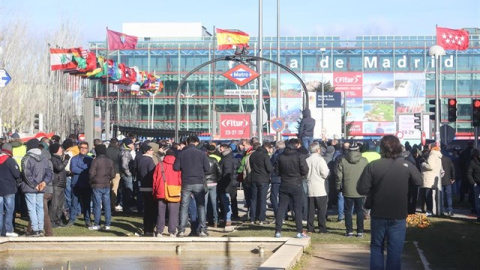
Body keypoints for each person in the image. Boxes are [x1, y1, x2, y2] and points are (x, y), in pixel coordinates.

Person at [357, 135, 422, 270]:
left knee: (377, 247)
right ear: (398, 148)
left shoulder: (373, 166)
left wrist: (373, 189)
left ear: (381, 148)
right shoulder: (406, 165)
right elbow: (419, 181)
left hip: (379, 212)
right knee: (395, 250)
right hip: (398, 213)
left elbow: (361, 188)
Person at [174, 135, 210, 237]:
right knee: (201, 206)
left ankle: (181, 230)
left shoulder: (182, 153)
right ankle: (202, 229)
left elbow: (176, 167)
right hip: (198, 181)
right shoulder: (201, 154)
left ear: (187, 142)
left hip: (186, 182)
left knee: (184, 207)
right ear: (196, 142)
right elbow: (207, 168)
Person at [274, 139, 309, 238]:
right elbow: (305, 169)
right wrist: (300, 175)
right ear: (295, 146)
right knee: (297, 209)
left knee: (281, 207)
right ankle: (299, 231)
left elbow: (276, 171)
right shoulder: (299, 156)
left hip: (284, 183)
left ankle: (278, 231)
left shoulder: (280, 156)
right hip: (296, 183)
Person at [20, 139, 53, 236]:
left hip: (31, 187)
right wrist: (44, 182)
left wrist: (35, 185)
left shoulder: (26, 158)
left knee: (32, 208)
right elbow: (49, 173)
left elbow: (26, 174)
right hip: (41, 187)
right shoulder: (44, 158)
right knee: (40, 208)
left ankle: (35, 229)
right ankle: (39, 229)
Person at [336, 142, 368, 237]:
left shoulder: (343, 160)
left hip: (347, 188)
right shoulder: (364, 160)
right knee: (360, 211)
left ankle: (349, 231)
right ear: (358, 150)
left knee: (348, 211)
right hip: (360, 189)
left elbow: (339, 176)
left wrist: (338, 187)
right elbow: (367, 174)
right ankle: (360, 231)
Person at [153, 149, 182, 237]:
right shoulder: (178, 166)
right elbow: (180, 179)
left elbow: (154, 179)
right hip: (174, 191)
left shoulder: (160, 165)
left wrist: (155, 192)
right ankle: (172, 231)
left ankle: (159, 231)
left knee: (160, 212)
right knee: (173, 213)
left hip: (161, 191)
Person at [88, 144, 115, 230]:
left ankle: (97, 223)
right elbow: (113, 174)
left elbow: (91, 173)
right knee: (107, 205)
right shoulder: (110, 161)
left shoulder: (95, 161)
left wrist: (91, 181)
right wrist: (107, 179)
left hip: (96, 184)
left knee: (97, 204)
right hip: (106, 184)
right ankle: (107, 224)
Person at [306, 142, 330, 233]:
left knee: (311, 210)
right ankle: (322, 227)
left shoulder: (307, 160)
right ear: (317, 150)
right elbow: (324, 173)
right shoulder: (320, 160)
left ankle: (310, 227)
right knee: (321, 210)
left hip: (310, 186)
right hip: (320, 187)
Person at [67, 141, 93, 227]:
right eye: (82, 147)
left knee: (86, 204)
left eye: (85, 148)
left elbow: (90, 171)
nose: (83, 149)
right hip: (76, 184)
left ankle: (87, 221)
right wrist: (84, 170)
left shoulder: (90, 159)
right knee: (74, 204)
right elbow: (73, 169)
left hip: (86, 184)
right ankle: (71, 220)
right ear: (79, 148)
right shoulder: (74, 159)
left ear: (87, 149)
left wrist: (82, 170)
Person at [248, 142, 274, 225]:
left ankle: (252, 218)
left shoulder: (252, 155)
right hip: (263, 179)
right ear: (267, 148)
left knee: (253, 199)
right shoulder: (265, 156)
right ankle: (261, 218)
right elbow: (269, 168)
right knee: (262, 199)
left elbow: (251, 166)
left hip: (254, 178)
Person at [0, 143, 21, 237]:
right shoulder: (10, 161)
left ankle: (0, 231)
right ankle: (8, 229)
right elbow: (17, 174)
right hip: (9, 188)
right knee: (9, 210)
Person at [136, 144, 157, 236]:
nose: (153, 152)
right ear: (147, 151)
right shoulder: (150, 161)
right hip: (149, 187)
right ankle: (150, 229)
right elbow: (153, 174)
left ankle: (146, 228)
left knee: (146, 209)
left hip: (142, 186)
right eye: (151, 150)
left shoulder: (140, 160)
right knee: (151, 209)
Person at [49, 143, 69, 228]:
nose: (62, 150)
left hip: (61, 184)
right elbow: (59, 168)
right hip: (56, 184)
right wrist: (66, 160)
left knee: (60, 204)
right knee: (55, 204)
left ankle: (58, 220)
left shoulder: (59, 159)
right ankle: (52, 221)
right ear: (56, 150)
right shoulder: (53, 159)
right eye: (60, 149)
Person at [420, 146, 443, 216]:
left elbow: (430, 166)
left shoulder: (432, 156)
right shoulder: (438, 156)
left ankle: (429, 211)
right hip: (432, 178)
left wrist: (423, 164)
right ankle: (430, 210)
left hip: (428, 178)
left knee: (427, 196)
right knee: (429, 196)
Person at [204, 145, 222, 227]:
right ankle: (216, 221)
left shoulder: (203, 161)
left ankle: (203, 221)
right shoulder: (214, 160)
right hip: (213, 182)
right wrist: (217, 179)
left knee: (204, 203)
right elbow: (219, 171)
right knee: (214, 203)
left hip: (205, 183)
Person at [106, 138, 122, 212]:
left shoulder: (106, 151)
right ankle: (112, 205)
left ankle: (105, 204)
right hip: (116, 171)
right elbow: (120, 162)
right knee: (114, 189)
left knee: (106, 189)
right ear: (116, 143)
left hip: (106, 172)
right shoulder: (118, 151)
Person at [270, 141, 285, 219]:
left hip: (276, 178)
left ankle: (278, 213)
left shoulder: (275, 155)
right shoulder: (287, 154)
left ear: (277, 147)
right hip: (285, 178)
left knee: (273, 197)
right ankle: (284, 214)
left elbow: (271, 165)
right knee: (283, 198)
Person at [120, 138, 135, 212]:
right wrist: (128, 173)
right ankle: (126, 207)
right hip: (127, 174)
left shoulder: (126, 151)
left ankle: (126, 207)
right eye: (132, 144)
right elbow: (124, 165)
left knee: (126, 191)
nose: (133, 145)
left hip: (126, 173)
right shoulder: (125, 153)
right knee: (128, 191)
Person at [466, 148, 480, 222]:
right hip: (476, 183)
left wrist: (473, 182)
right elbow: (469, 173)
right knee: (477, 200)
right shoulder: (472, 162)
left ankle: (479, 215)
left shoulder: (472, 162)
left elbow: (469, 173)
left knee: (477, 200)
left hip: (476, 183)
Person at [441, 152, 455, 217]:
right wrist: (453, 178)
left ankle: (442, 210)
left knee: (442, 197)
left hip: (440, 181)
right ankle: (450, 210)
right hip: (448, 180)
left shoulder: (438, 160)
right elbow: (452, 169)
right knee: (449, 196)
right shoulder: (448, 159)